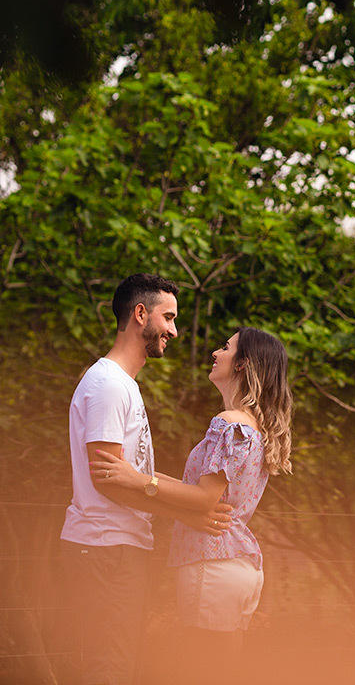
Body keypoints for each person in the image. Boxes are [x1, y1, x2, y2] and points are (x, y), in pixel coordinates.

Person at [60, 273, 233, 685]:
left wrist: (186, 507)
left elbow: (130, 474)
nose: (173, 330)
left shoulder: (125, 386)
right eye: (168, 317)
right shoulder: (108, 386)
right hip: (104, 548)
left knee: (120, 664)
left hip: (119, 548)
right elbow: (108, 478)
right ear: (141, 314)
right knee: (110, 668)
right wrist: (184, 511)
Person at [91, 326, 293, 678]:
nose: (216, 352)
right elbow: (194, 488)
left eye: (226, 347)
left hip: (212, 563)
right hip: (237, 565)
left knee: (203, 672)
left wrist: (139, 481)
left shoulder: (228, 424)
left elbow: (202, 499)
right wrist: (138, 474)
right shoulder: (251, 427)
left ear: (243, 364)